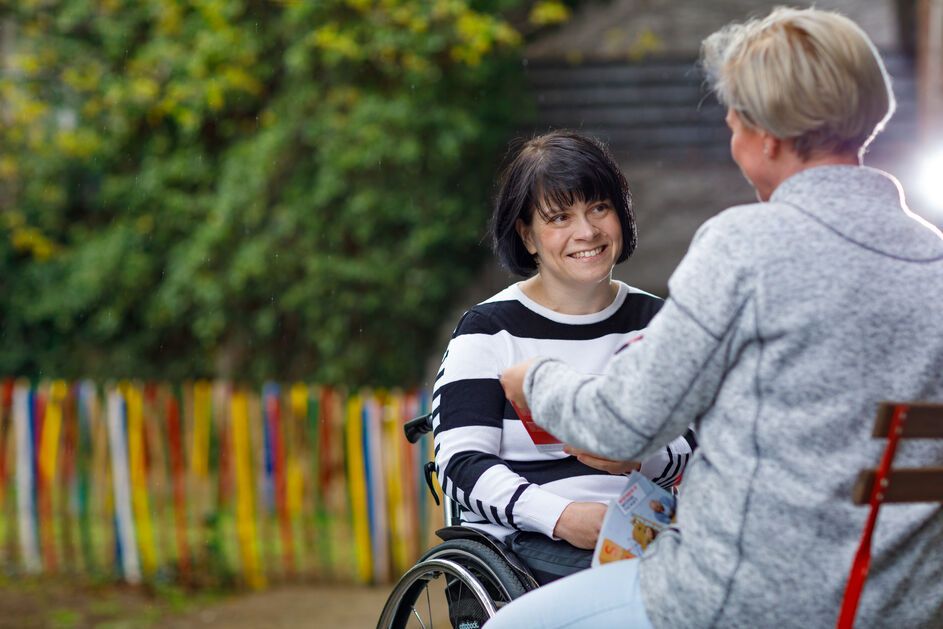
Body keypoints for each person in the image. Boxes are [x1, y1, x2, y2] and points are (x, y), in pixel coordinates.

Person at [494, 7, 943, 629]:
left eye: (734, 122)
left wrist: (537, 380)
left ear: (767, 137)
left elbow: (624, 424)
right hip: (901, 607)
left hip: (739, 604)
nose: (732, 138)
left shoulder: (745, 248)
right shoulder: (935, 263)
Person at [432, 130, 695, 586]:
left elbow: (699, 443)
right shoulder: (488, 330)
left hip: (647, 530)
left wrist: (637, 458)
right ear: (527, 236)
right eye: (559, 217)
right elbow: (461, 465)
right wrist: (561, 517)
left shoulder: (661, 322)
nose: (587, 231)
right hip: (525, 544)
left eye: (599, 208)